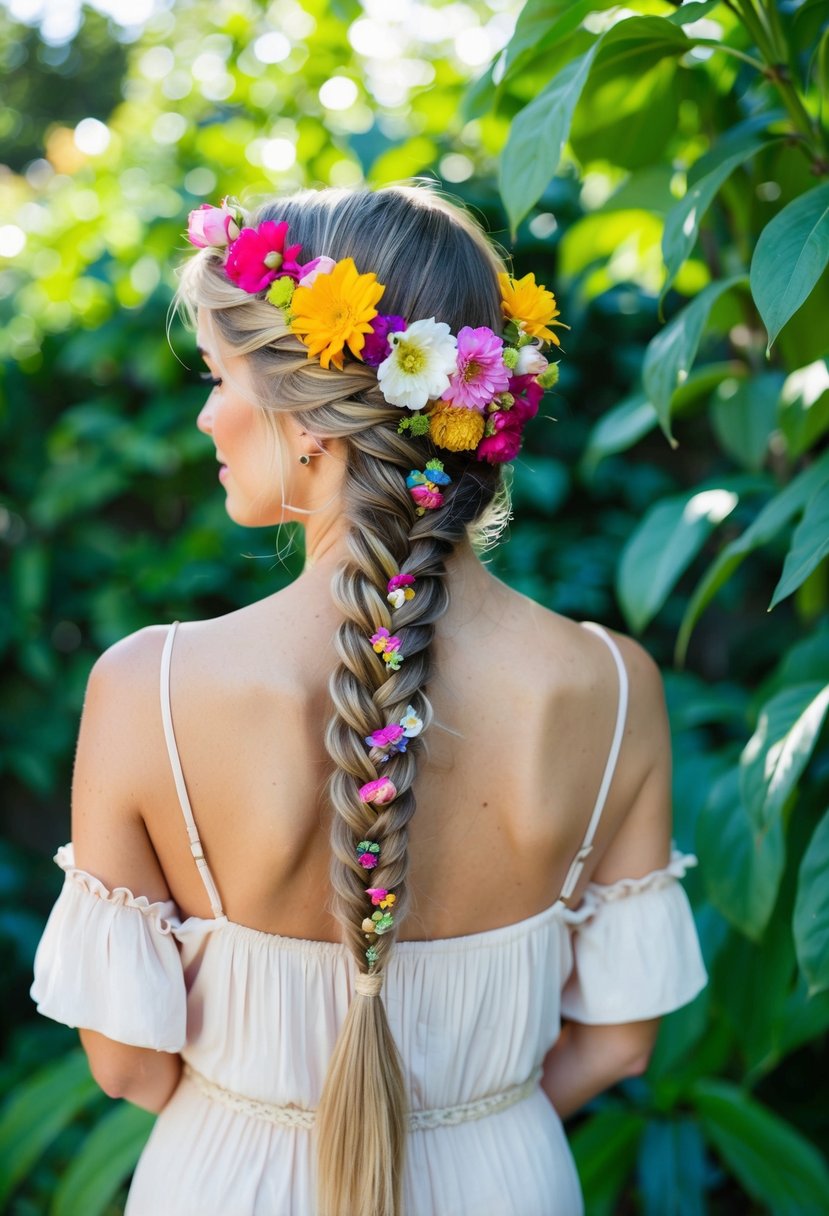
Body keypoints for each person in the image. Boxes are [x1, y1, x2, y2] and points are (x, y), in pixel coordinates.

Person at [31, 182, 707, 1216]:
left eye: (218, 378)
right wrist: (478, 1122)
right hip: (508, 1181)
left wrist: (259, 1116)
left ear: (309, 417)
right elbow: (618, 1042)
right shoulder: (609, 686)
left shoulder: (149, 689)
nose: (206, 414)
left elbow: (126, 1064)